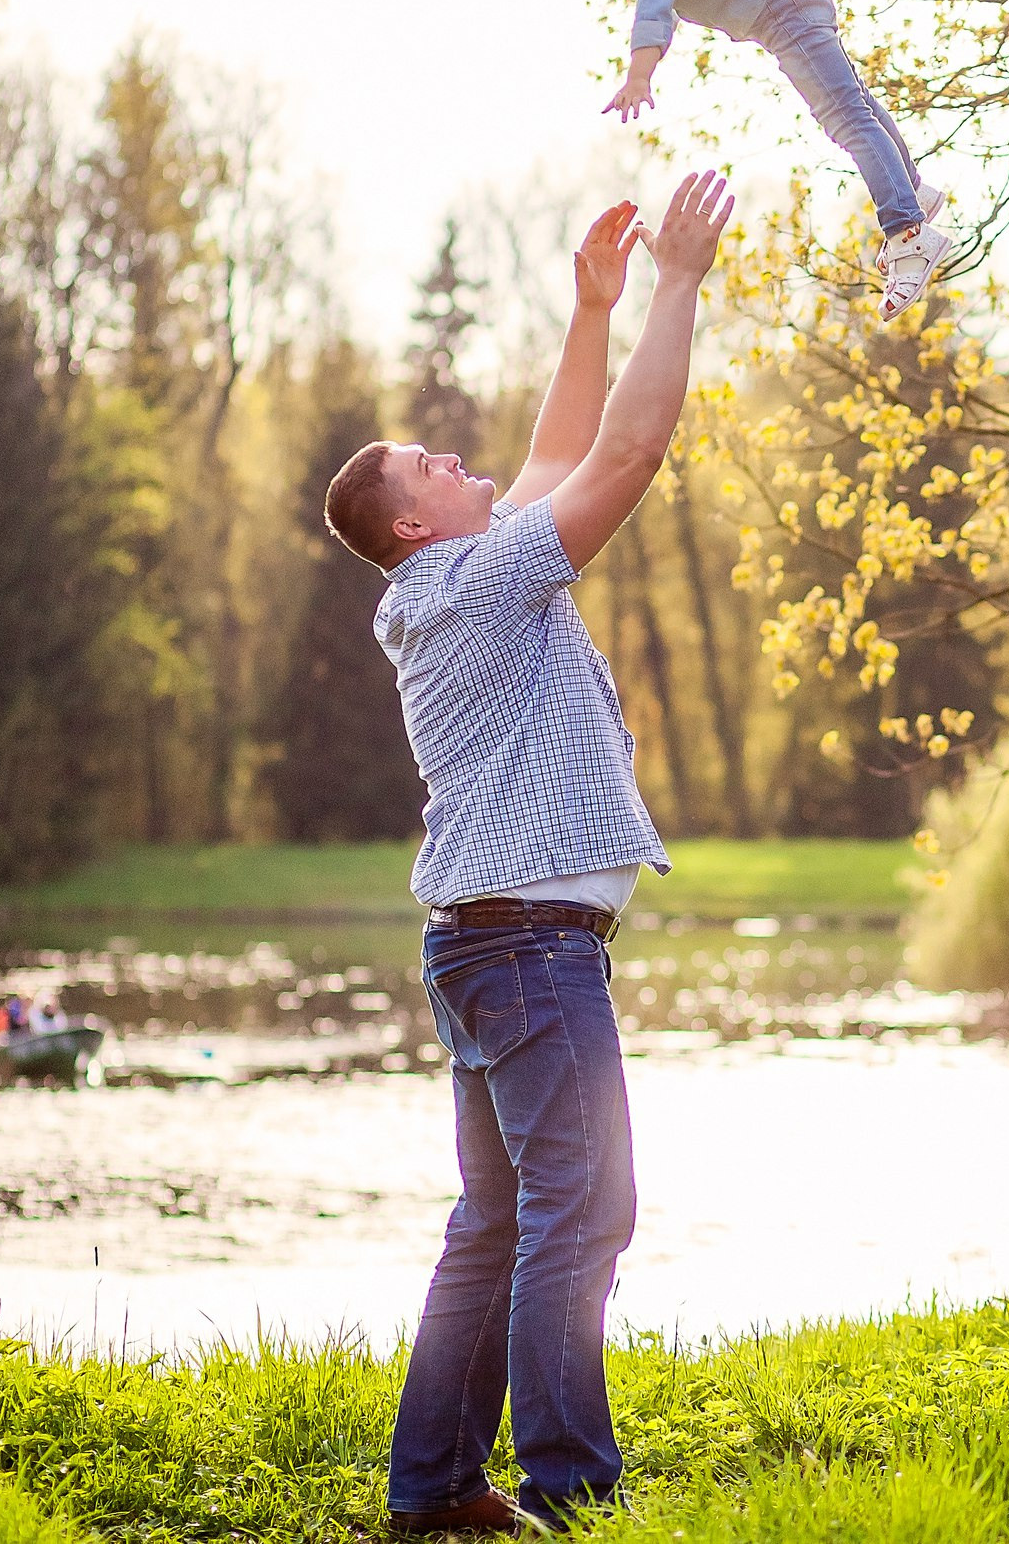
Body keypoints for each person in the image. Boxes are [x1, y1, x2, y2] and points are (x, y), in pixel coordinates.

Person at [323, 173, 733, 1533]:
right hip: (528, 951)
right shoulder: (479, 582)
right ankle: (573, 1490)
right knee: (583, 1209)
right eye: (430, 464)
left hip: (487, 944)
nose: (459, 457)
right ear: (411, 522)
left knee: (499, 1222)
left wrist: (590, 309)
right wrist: (679, 283)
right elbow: (619, 461)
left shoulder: (453, 578)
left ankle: (435, 1489)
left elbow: (558, 457)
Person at [529, 0, 954, 317]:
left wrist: (639, 74)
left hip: (781, 6)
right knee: (854, 105)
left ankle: (907, 230)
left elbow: (654, 2)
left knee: (846, 118)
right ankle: (912, 192)